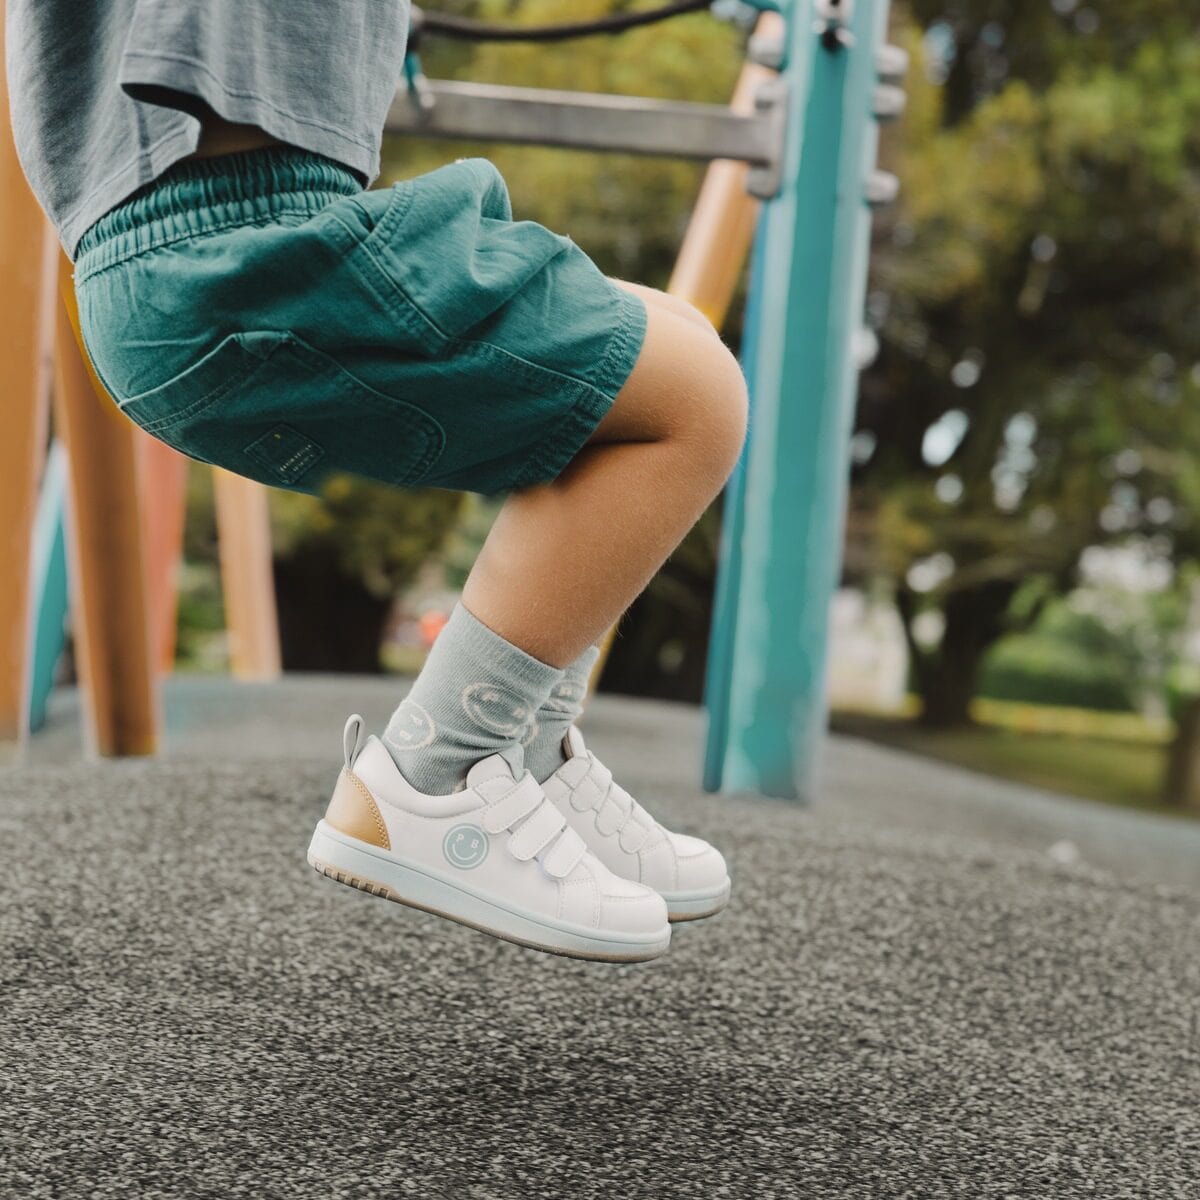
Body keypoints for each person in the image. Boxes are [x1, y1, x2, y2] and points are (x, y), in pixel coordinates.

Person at [7, 1, 747, 961]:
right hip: (231, 251)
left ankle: (518, 742)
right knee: (696, 407)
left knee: (668, 338)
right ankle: (433, 776)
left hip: (213, 252)